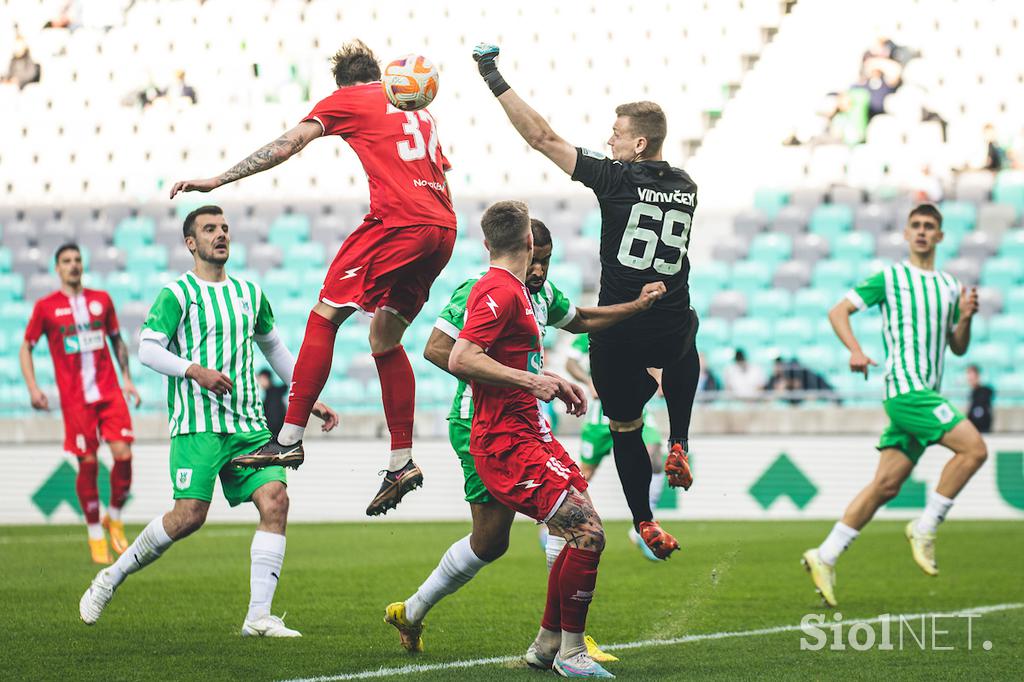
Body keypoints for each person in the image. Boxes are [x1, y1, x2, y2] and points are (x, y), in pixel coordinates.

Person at [169, 40, 456, 516]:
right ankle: (401, 460)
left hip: (398, 223)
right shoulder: (420, 112)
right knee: (385, 337)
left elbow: (288, 145)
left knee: (324, 315)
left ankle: (288, 438)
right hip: (442, 228)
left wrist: (216, 181)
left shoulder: (350, 98)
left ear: (344, 83)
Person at [384, 216, 662, 663]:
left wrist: (636, 306)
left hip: (525, 420)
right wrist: (515, 380)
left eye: (547, 263)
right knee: (494, 541)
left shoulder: (542, 293)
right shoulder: (482, 289)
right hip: (480, 421)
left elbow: (582, 319)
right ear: (522, 249)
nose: (540, 272)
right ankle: (554, 638)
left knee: (564, 518)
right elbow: (439, 349)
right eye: (536, 260)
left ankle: (561, 637)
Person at [472, 43, 699, 560]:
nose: (609, 141)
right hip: (668, 317)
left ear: (639, 144)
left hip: (618, 324)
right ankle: (682, 439)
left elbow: (542, 137)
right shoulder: (687, 185)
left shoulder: (616, 178)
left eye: (617, 134)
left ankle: (644, 521)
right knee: (689, 328)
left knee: (624, 427)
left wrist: (493, 76)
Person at [78, 206, 339, 635]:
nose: (220, 235)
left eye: (224, 228)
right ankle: (110, 577)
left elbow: (275, 350)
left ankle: (258, 617)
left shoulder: (249, 294)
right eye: (209, 229)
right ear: (190, 243)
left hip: (248, 425)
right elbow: (147, 349)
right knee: (189, 516)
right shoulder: (177, 294)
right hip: (197, 425)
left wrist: (308, 398)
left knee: (276, 501)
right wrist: (193, 370)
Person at [442, 200, 611, 676]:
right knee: (586, 532)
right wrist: (533, 382)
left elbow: (515, 357)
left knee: (578, 529)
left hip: (529, 434)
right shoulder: (498, 289)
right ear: (531, 243)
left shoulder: (513, 290)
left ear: (486, 243)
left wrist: (549, 378)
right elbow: (459, 357)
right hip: (505, 442)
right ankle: (570, 653)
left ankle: (548, 644)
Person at [802, 204, 987, 607]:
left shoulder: (951, 287)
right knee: (974, 449)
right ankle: (925, 527)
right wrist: (855, 350)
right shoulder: (891, 278)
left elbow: (957, 347)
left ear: (939, 236)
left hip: (927, 390)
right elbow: (839, 311)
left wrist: (967, 318)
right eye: (916, 226)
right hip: (907, 390)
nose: (922, 232)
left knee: (886, 485)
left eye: (930, 227)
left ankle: (825, 554)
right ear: (906, 234)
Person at [21, 243, 139, 564]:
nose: (73, 265)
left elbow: (117, 339)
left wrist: (127, 378)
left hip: (109, 391)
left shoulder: (102, 301)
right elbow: (26, 347)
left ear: (82, 265)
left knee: (124, 455)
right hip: (75, 400)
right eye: (66, 261)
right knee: (87, 463)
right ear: (57, 268)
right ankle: (95, 534)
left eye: (77, 260)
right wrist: (33, 388)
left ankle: (113, 516)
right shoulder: (46, 308)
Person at [565, 333, 666, 561]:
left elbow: (653, 358)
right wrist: (588, 381)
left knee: (655, 455)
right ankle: (556, 521)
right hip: (600, 415)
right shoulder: (588, 333)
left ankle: (643, 526)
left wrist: (660, 378)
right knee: (585, 473)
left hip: (634, 407)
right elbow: (570, 363)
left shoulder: (635, 327)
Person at [257, 368, 287, 437]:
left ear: (266, 378)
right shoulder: (270, 393)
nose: (260, 382)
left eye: (261, 379)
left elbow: (274, 418)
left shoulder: (273, 394)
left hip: (274, 434)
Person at [965, 364, 993, 433]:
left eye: (971, 375)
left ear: (977, 376)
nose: (969, 378)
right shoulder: (973, 393)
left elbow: (980, 413)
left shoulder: (983, 392)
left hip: (981, 430)